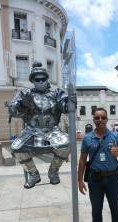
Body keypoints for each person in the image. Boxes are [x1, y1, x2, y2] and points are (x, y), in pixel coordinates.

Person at [9, 61, 70, 189]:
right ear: (33, 80)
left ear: (47, 79)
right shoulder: (25, 94)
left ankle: (53, 171)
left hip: (52, 130)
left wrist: (70, 101)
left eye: (43, 78)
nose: (41, 81)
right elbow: (13, 111)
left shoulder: (57, 93)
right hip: (32, 131)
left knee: (66, 145)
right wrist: (22, 105)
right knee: (16, 148)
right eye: (37, 79)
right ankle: (33, 174)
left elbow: (67, 107)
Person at [78, 107, 118, 222]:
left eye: (102, 117)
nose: (100, 120)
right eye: (97, 117)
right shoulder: (88, 138)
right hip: (95, 180)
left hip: (112, 179)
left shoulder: (115, 137)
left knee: (116, 210)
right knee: (96, 211)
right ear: (93, 120)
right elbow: (82, 161)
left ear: (106, 119)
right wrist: (80, 180)